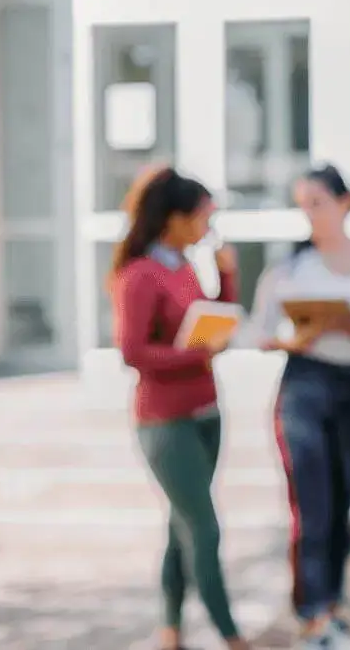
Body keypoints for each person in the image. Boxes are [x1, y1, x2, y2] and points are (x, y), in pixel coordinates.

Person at [240, 166, 350, 649]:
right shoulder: (289, 268)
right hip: (304, 384)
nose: (309, 214)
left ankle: (331, 607)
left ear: (345, 202)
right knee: (311, 506)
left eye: (317, 203)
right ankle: (314, 616)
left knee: (344, 499)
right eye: (302, 204)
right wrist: (296, 337)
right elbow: (254, 332)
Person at [109, 166, 250, 650]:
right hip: (166, 423)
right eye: (203, 216)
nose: (209, 226)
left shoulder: (183, 267)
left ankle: (169, 630)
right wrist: (195, 355)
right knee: (204, 529)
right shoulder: (140, 275)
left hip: (207, 411)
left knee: (181, 524)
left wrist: (228, 276)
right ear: (174, 218)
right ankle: (232, 637)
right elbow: (133, 353)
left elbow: (211, 321)